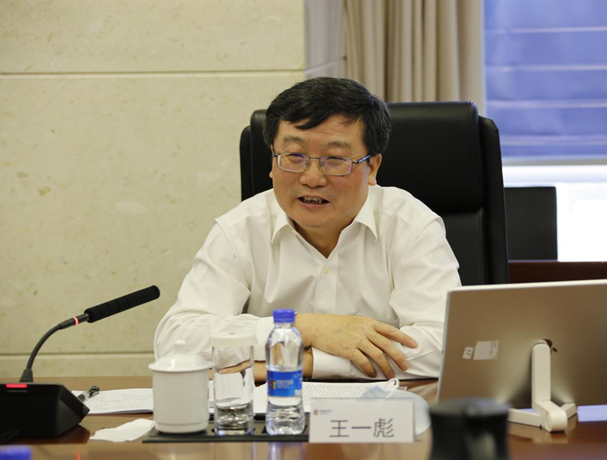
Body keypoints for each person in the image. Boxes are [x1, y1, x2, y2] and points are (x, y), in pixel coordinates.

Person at [154, 77, 460, 380]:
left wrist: (304, 362)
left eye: (335, 159)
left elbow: (448, 346)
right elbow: (176, 342)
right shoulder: (240, 229)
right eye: (295, 156)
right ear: (273, 161)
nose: (312, 178)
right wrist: (304, 327)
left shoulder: (410, 226)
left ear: (372, 167)